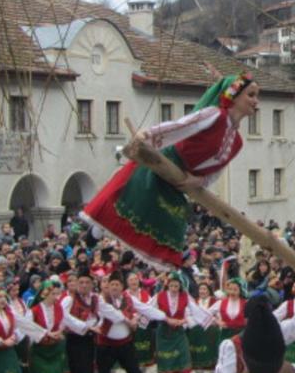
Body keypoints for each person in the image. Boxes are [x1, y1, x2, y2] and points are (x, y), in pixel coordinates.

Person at [81, 72, 260, 269]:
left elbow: (216, 171)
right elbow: (180, 126)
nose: (255, 101)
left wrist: (199, 181)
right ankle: (96, 232)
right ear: (234, 96)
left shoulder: (238, 142)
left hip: (181, 181)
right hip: (166, 164)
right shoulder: (215, 115)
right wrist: (148, 135)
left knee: (169, 224)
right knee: (129, 197)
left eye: (256, 96)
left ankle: (137, 263)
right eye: (250, 95)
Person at [96, 270, 162, 373]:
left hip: (125, 344)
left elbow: (145, 309)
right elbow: (111, 315)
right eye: (111, 284)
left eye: (117, 284)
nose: (114, 287)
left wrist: (164, 317)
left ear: (122, 286)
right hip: (106, 345)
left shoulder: (129, 298)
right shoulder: (102, 300)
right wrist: (129, 319)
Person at [154, 271, 210, 373]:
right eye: (172, 285)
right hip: (164, 334)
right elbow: (149, 310)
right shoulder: (159, 296)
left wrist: (185, 321)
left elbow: (194, 312)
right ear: (167, 285)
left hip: (179, 334)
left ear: (180, 286)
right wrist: (138, 320)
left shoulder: (185, 297)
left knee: (185, 368)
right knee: (165, 369)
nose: (174, 288)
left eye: (177, 286)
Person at [61, 268, 104, 373]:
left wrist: (96, 325)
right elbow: (64, 317)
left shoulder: (95, 299)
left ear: (92, 284)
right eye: (81, 283)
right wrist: (85, 326)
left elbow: (101, 315)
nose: (84, 285)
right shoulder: (69, 299)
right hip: (75, 340)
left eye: (87, 282)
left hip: (89, 340)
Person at [30, 280, 69, 373]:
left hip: (55, 351)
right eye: (53, 294)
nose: (56, 297)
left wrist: (61, 331)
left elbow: (67, 321)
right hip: (40, 352)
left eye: (58, 293)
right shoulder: (34, 310)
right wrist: (45, 335)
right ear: (44, 294)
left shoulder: (59, 308)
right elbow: (29, 330)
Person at [189, 281, 220, 373]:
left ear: (209, 291)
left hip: (211, 333)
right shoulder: (194, 302)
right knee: (197, 357)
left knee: (211, 358)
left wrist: (216, 320)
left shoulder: (214, 302)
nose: (202, 291)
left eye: (204, 289)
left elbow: (218, 316)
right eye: (200, 289)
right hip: (196, 333)